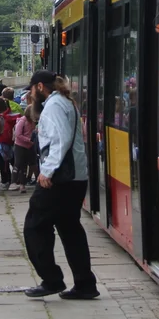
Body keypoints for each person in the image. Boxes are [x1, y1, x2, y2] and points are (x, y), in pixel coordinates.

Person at [22, 70, 98, 300]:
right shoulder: (66, 102)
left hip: (59, 179)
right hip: (75, 178)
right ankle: (85, 284)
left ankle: (51, 279)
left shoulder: (54, 106)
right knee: (70, 229)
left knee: (35, 226)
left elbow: (60, 140)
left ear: (40, 87)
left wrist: (47, 171)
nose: (32, 93)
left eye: (32, 88)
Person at [0, 96, 17, 191]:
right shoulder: (9, 115)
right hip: (9, 142)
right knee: (9, 161)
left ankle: (5, 181)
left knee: (1, 163)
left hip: (0, 143)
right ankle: (11, 180)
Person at [11, 104, 37, 193]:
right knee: (18, 164)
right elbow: (18, 134)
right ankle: (13, 182)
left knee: (25, 166)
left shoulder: (32, 122)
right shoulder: (23, 121)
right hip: (20, 146)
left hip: (29, 146)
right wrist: (28, 139)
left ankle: (22, 184)